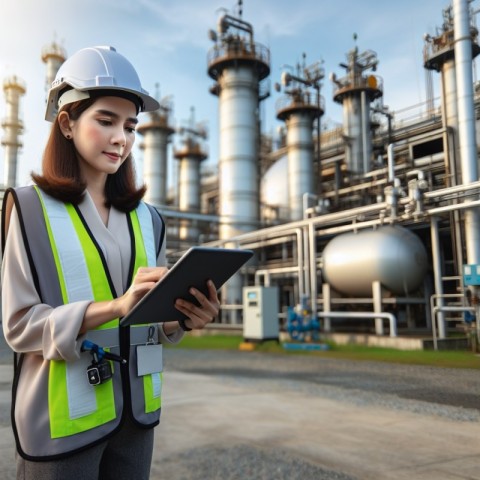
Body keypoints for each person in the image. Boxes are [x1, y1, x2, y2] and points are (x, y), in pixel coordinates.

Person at [1, 45, 220, 480]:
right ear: (67, 122)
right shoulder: (27, 209)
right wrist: (116, 307)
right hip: (63, 425)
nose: (122, 138)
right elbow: (19, 325)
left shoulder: (148, 219)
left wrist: (186, 317)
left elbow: (154, 324)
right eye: (105, 121)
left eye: (130, 125)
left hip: (135, 422)